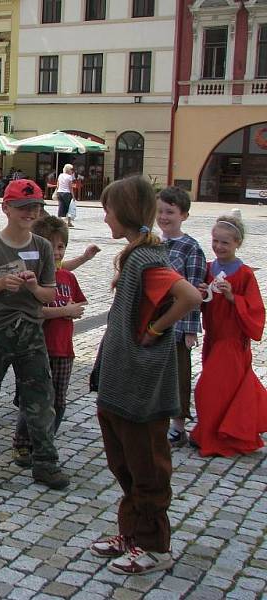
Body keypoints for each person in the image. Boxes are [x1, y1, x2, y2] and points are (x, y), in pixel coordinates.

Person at [90, 176, 201, 575]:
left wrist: (155, 331)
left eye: (108, 210)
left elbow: (189, 296)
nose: (105, 218)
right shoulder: (136, 255)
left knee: (147, 467)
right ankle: (133, 534)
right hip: (121, 381)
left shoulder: (148, 259)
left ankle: (155, 546)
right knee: (125, 464)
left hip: (141, 385)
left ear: (126, 212)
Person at [0, 179, 69, 490]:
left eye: (34, 207)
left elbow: (49, 294)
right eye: (23, 207)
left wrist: (34, 287)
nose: (29, 212)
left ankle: (45, 462)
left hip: (31, 333)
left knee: (40, 400)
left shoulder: (42, 247)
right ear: (6, 208)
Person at [11, 215, 87, 467]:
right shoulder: (31, 277)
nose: (56, 251)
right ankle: (23, 443)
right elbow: (32, 311)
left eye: (61, 246)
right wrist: (64, 311)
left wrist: (73, 307)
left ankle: (45, 441)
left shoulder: (67, 277)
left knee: (58, 399)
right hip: (36, 346)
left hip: (64, 348)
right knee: (32, 398)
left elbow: (79, 302)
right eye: (50, 245)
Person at [190, 214, 267, 457]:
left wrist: (234, 297)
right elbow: (202, 303)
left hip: (232, 342)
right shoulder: (209, 268)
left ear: (237, 243)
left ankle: (211, 436)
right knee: (226, 389)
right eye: (215, 241)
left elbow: (256, 309)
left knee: (209, 388)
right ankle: (223, 429)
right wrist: (202, 293)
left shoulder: (244, 274)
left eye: (225, 243)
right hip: (214, 337)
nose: (219, 246)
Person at [156, 187, 206, 447]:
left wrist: (190, 330)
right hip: (153, 320)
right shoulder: (155, 243)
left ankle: (178, 425)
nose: (164, 217)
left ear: (184, 215)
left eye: (170, 212)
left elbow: (195, 290)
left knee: (178, 375)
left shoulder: (191, 248)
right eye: (161, 211)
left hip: (177, 325)